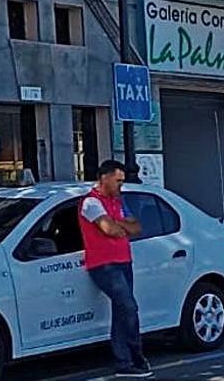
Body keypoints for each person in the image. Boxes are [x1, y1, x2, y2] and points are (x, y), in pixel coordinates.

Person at [78, 160, 151, 378]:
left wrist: (120, 225)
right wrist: (119, 225)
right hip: (104, 264)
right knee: (128, 306)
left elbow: (136, 227)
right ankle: (135, 355)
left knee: (122, 310)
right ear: (104, 177)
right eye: (118, 181)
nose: (121, 186)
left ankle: (124, 361)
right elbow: (110, 229)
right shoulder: (91, 203)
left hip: (123, 260)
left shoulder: (118, 202)